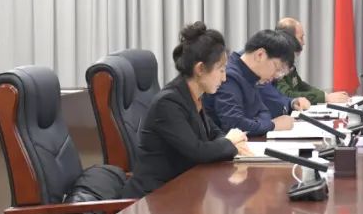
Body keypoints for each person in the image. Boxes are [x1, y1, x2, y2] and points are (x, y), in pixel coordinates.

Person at [120, 22, 249, 198]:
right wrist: (230, 142)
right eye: (221, 70)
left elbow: (214, 133)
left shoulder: (193, 96)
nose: (224, 78)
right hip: (153, 198)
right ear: (200, 69)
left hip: (181, 188)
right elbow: (198, 151)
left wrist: (230, 141)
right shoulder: (168, 103)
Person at [204, 29, 304, 136]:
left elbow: (264, 112)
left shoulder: (251, 75)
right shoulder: (230, 77)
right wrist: (273, 125)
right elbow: (234, 125)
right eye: (276, 67)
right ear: (260, 55)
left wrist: (259, 124)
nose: (276, 75)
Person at [272, 17, 350, 104]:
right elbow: (288, 95)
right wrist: (325, 98)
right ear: (289, 39)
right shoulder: (275, 65)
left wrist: (325, 95)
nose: (303, 43)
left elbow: (300, 85)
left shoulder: (288, 61)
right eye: (301, 38)